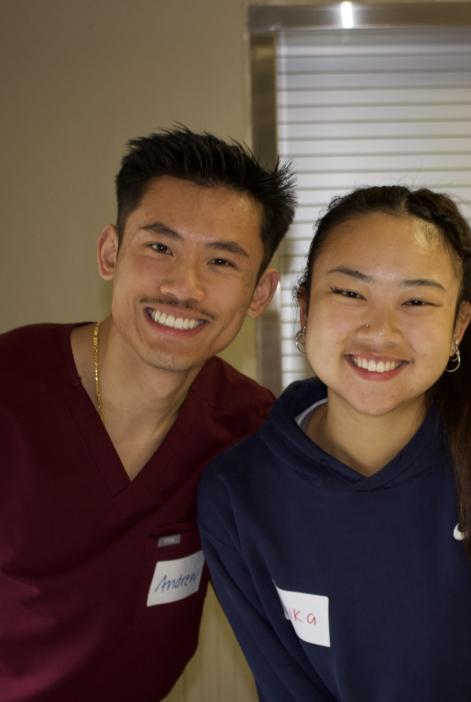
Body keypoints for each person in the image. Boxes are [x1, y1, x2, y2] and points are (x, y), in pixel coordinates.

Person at [198, 185, 471, 701]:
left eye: (415, 301)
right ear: (303, 308)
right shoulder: (237, 494)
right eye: (349, 293)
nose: (380, 331)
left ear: (458, 326)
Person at [0, 127, 295, 702]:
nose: (184, 287)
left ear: (259, 294)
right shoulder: (11, 389)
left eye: (221, 261)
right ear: (110, 252)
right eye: (160, 247)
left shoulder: (251, 431)